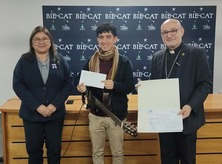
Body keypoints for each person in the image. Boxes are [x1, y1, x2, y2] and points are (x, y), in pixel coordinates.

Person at [150, 19, 213, 164]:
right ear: (161, 35)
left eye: (173, 31)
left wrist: (190, 106)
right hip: (164, 120)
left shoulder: (197, 53)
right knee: (167, 159)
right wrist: (145, 88)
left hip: (187, 118)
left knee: (188, 160)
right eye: (165, 32)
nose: (169, 35)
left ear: (182, 31)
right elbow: (154, 84)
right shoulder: (157, 57)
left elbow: (205, 84)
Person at [12, 26, 73, 164]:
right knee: (34, 153)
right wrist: (38, 106)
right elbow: (18, 85)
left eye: (45, 38)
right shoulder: (24, 61)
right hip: (32, 115)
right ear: (32, 42)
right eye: (37, 39)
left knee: (54, 152)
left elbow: (68, 83)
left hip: (55, 115)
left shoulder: (60, 60)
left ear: (50, 42)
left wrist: (53, 106)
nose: (41, 42)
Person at [76, 22, 135, 164]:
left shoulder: (124, 62)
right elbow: (81, 83)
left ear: (115, 39)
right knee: (97, 152)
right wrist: (82, 89)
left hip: (117, 116)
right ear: (97, 40)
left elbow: (130, 87)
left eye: (108, 37)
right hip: (96, 115)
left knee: (118, 153)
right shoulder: (91, 61)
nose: (104, 40)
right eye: (101, 37)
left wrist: (115, 85)